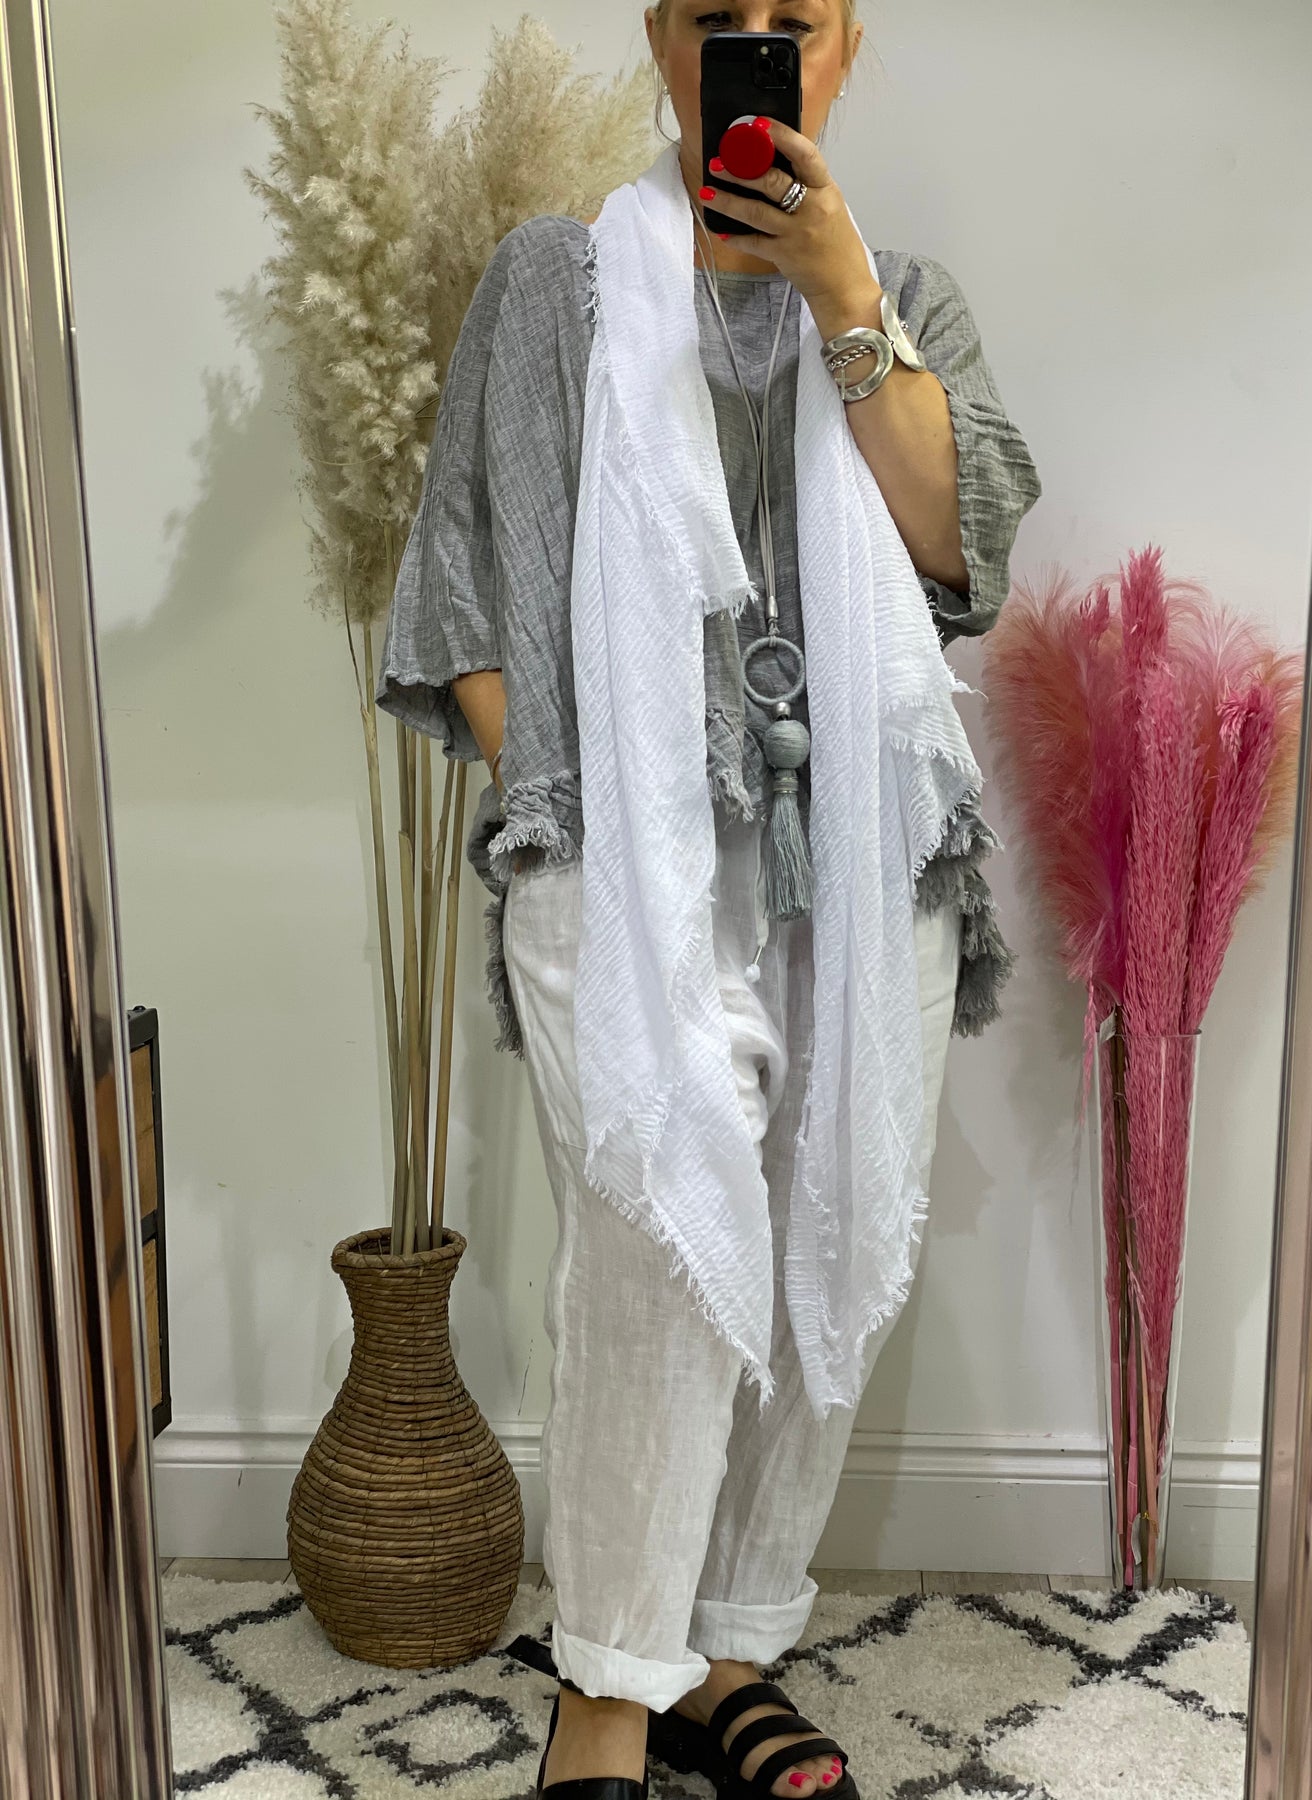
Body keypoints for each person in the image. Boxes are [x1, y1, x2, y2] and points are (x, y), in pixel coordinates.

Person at [376, 4, 1042, 1796]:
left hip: (866, 852)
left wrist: (841, 298)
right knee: (658, 1249)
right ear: (659, 42)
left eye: (790, 23)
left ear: (846, 48)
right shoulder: (558, 281)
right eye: (713, 21)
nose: (753, 50)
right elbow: (463, 573)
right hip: (624, 846)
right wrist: (565, 808)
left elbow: (959, 550)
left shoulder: (904, 297)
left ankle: (727, 1649)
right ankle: (607, 1686)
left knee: (837, 1215)